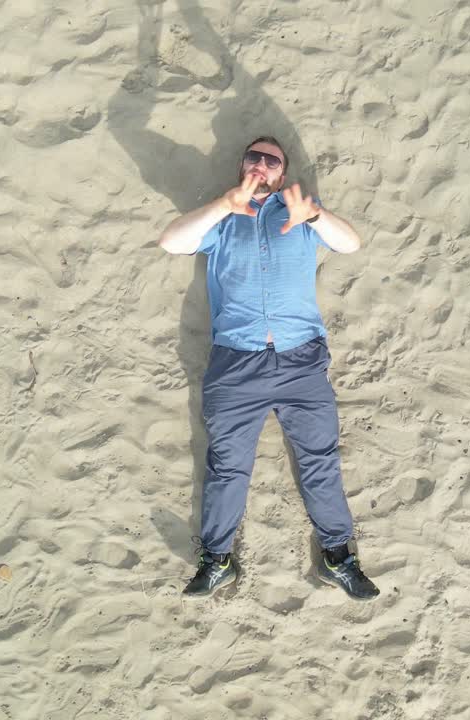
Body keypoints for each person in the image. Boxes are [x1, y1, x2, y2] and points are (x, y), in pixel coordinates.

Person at [158, 136, 379, 601]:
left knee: (320, 462)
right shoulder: (223, 220)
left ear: (282, 172)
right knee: (226, 467)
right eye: (253, 157)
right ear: (242, 165)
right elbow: (172, 242)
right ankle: (217, 559)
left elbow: (352, 244)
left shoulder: (299, 215)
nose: (261, 164)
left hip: (301, 362)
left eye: (271, 160)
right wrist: (225, 203)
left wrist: (314, 215)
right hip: (236, 363)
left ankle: (338, 556)